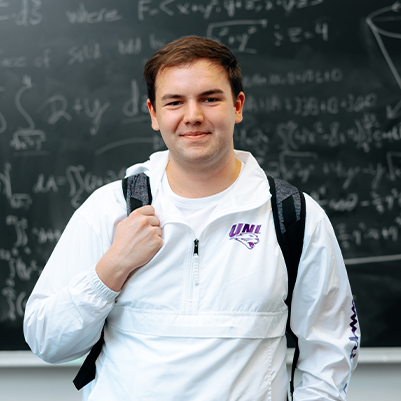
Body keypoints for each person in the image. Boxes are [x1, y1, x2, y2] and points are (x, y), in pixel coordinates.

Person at [24, 36, 360, 401]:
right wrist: (111, 270)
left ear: (238, 106)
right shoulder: (110, 209)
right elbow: (46, 340)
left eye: (210, 98)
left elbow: (331, 347)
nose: (193, 116)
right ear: (154, 114)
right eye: (175, 102)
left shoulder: (294, 215)